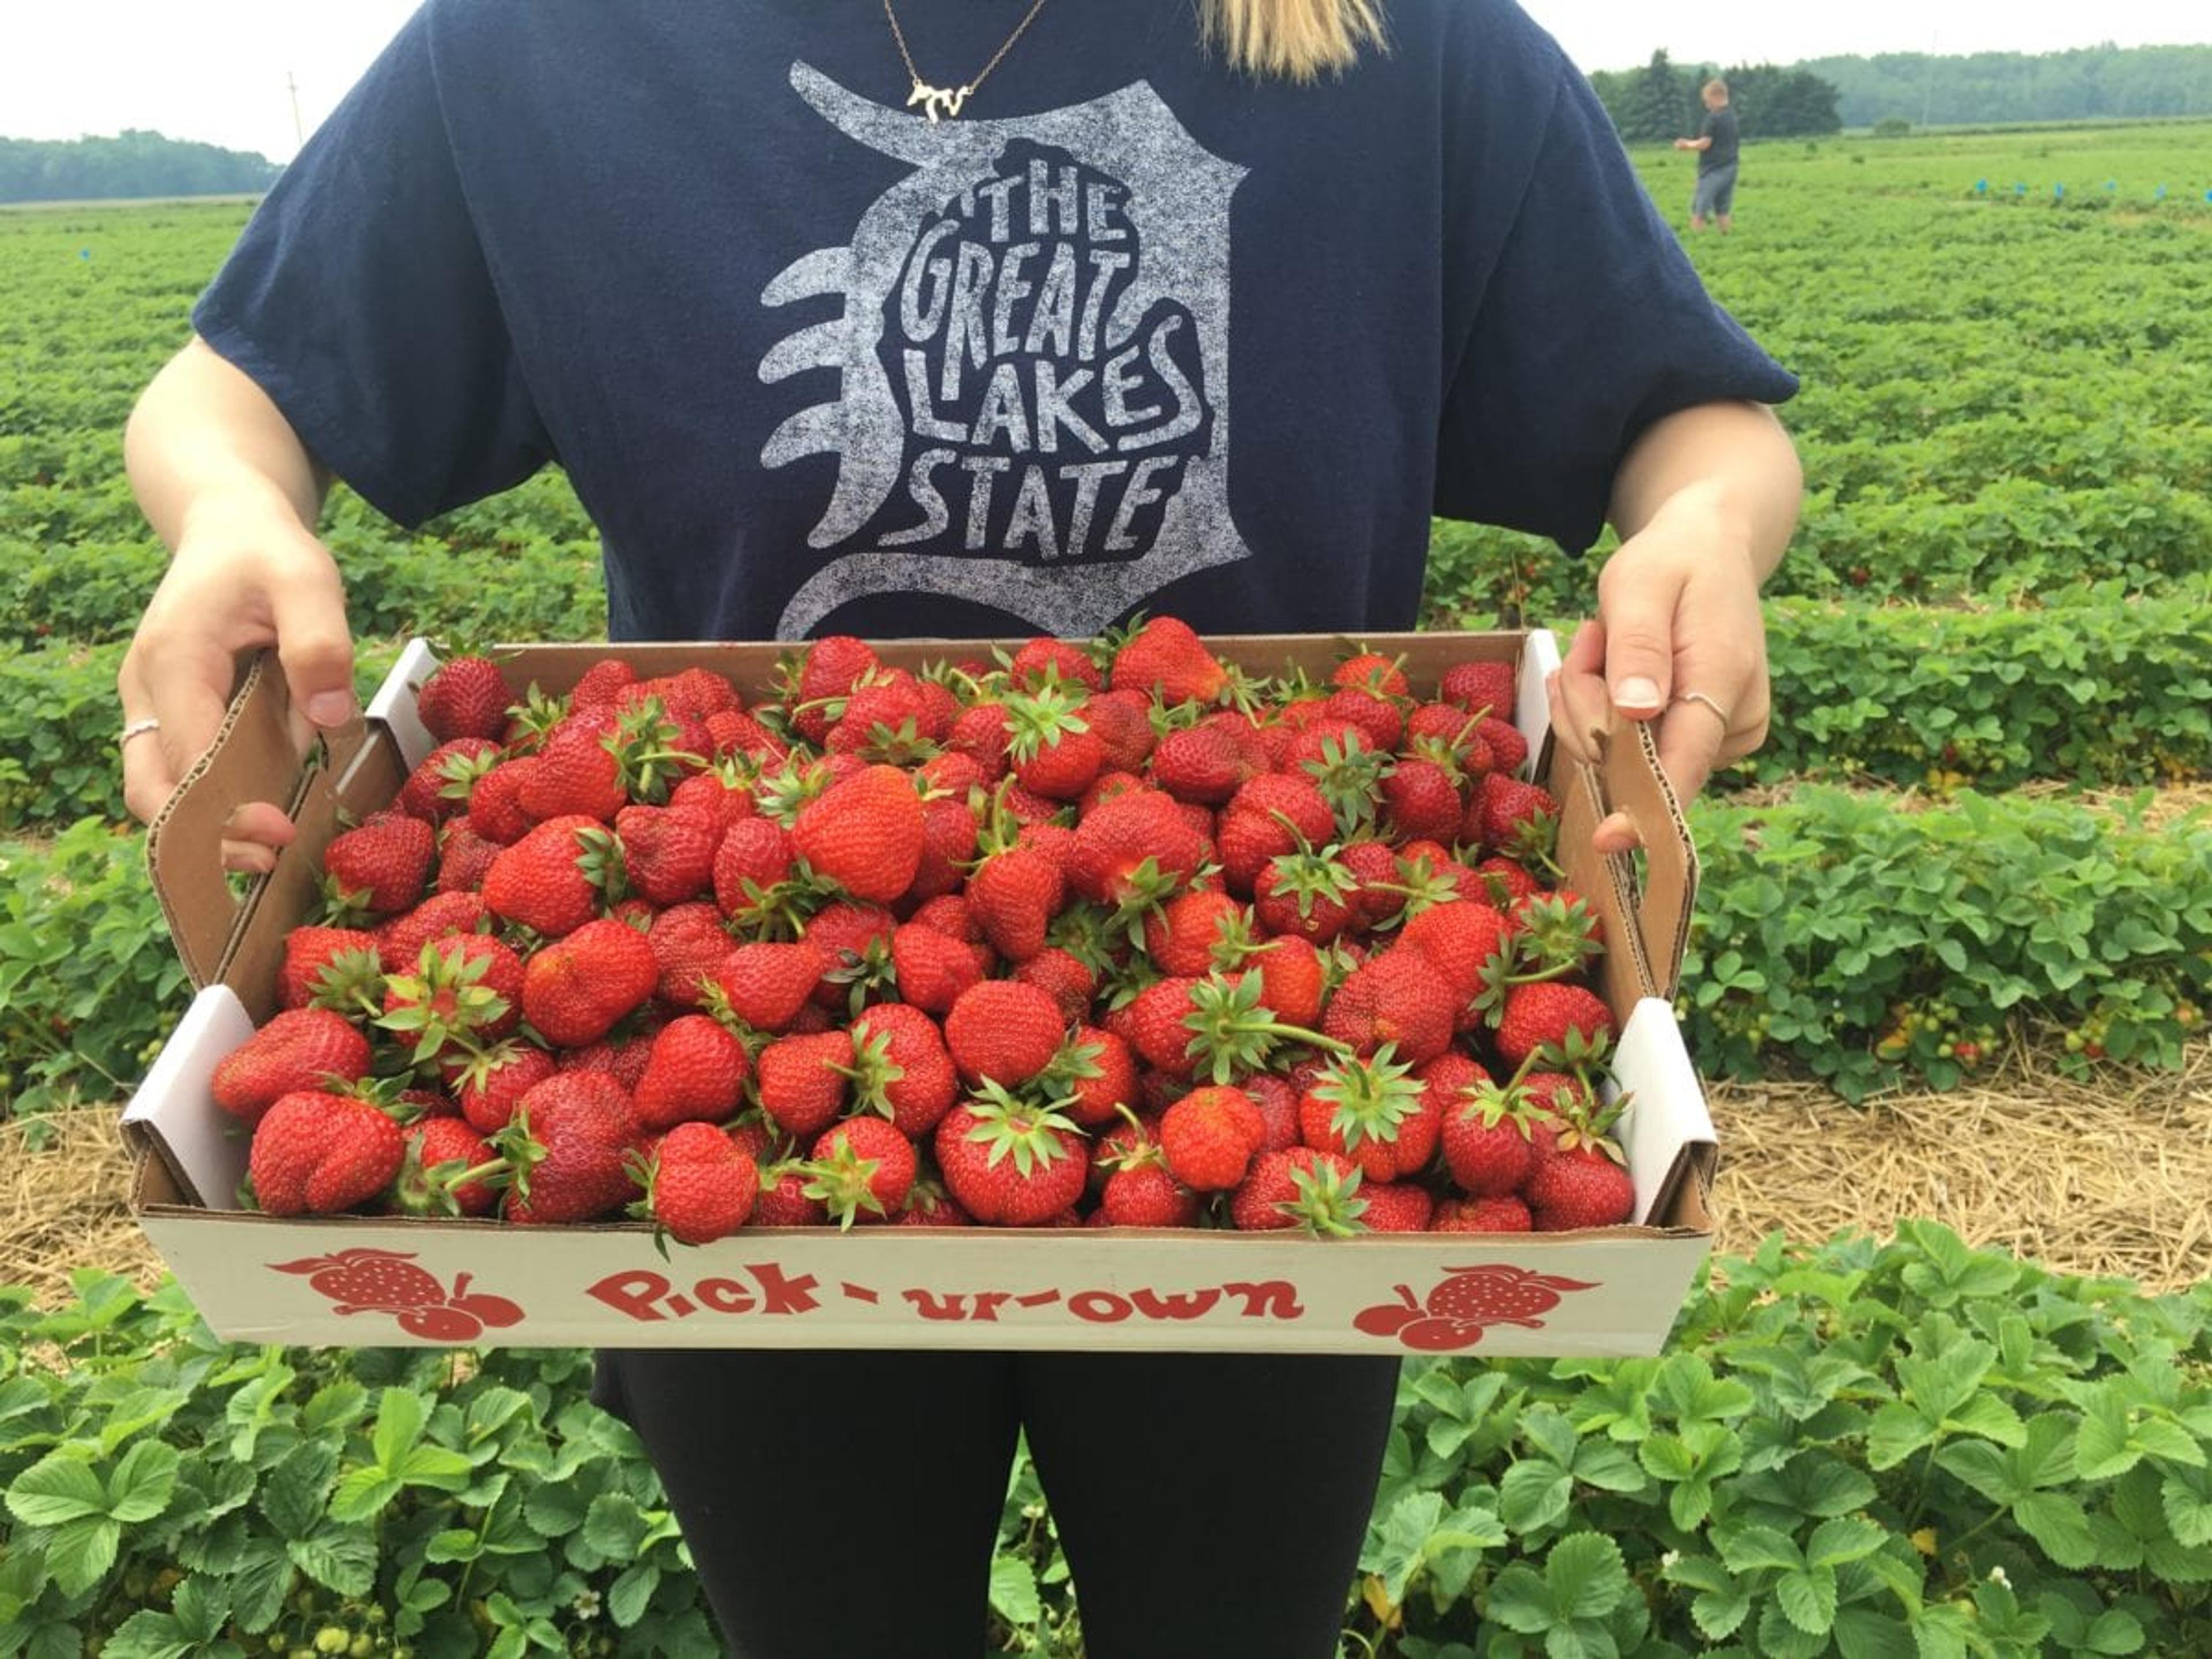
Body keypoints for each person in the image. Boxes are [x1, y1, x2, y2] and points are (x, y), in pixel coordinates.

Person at [115, 1, 1802, 1653]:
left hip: (1277, 1102)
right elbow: (230, 389)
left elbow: (1695, 416)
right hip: (715, 1107)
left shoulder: (1398, 42)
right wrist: (231, 514)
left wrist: (1709, 520)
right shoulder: (542, 43)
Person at [1675, 77, 1741, 231]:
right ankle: (1726, 238)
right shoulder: (1731, 116)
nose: (1707, 105)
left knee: (1700, 208)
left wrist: (1686, 145)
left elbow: (1705, 144)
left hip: (1713, 170)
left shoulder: (1713, 118)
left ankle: (1696, 239)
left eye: (1707, 100)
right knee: (1722, 209)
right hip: (1731, 167)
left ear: (1715, 96)